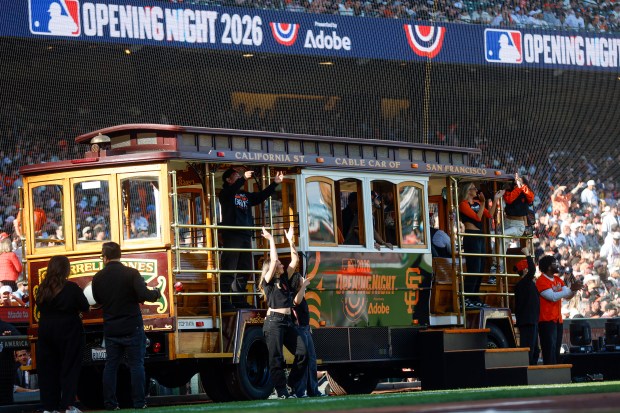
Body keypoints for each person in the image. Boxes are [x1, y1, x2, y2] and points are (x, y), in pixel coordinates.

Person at [92, 242, 161, 410]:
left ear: (105, 257)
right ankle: (139, 402)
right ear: (119, 255)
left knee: (111, 367)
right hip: (132, 327)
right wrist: (157, 293)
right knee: (136, 366)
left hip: (111, 329)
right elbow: (145, 295)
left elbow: (97, 299)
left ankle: (110, 403)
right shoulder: (131, 273)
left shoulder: (98, 277)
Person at [219, 168, 284, 309]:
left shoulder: (244, 194)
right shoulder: (225, 193)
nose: (239, 178)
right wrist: (243, 179)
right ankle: (223, 301)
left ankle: (238, 299)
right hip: (232, 233)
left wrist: (274, 184)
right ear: (228, 180)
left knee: (245, 268)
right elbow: (230, 192)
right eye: (235, 176)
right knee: (229, 268)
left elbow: (260, 197)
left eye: (239, 176)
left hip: (245, 234)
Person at [36, 255, 89, 413]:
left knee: (48, 369)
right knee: (69, 367)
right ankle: (66, 405)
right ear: (66, 269)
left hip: (46, 329)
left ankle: (49, 407)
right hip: (69, 329)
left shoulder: (42, 288)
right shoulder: (71, 288)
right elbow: (85, 306)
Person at [259, 227, 307, 399]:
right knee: (276, 358)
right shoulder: (268, 282)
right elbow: (273, 260)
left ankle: (291, 385)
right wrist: (271, 239)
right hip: (274, 322)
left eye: (280, 263)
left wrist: (291, 241)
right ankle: (281, 391)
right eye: (279, 263)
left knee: (303, 352)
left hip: (287, 322)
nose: (281, 263)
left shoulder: (285, 278)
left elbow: (295, 258)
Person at [288, 232, 325, 398]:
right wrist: (304, 285)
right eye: (301, 279)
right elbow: (296, 301)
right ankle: (299, 390)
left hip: (305, 328)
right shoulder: (297, 295)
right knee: (305, 360)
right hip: (300, 330)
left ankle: (312, 390)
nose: (304, 279)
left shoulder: (300, 294)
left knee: (311, 360)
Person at [458, 182, 504, 308]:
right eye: (473, 188)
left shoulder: (478, 204)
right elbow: (477, 218)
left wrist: (495, 200)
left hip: (480, 236)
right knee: (473, 267)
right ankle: (466, 298)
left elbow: (489, 215)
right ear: (468, 191)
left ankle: (474, 296)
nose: (476, 190)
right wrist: (483, 203)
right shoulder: (463, 204)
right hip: (471, 236)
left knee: (480, 268)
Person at [536, 255, 583, 365]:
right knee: (549, 350)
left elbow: (567, 296)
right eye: (554, 264)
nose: (557, 265)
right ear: (548, 267)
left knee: (556, 349)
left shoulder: (557, 279)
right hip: (546, 320)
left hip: (557, 320)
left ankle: (557, 372)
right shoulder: (541, 281)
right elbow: (552, 297)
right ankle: (549, 373)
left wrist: (574, 290)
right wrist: (570, 289)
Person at [514, 247, 539, 365]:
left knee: (534, 349)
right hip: (528, 321)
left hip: (530, 321)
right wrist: (527, 254)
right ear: (525, 271)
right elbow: (533, 270)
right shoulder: (524, 283)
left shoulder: (525, 284)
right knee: (529, 349)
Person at [502, 173, 534, 238]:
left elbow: (531, 197)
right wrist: (519, 188)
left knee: (502, 235)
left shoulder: (526, 192)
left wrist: (521, 186)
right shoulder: (508, 191)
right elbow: (509, 199)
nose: (516, 182)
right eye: (515, 181)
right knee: (501, 244)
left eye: (518, 181)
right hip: (507, 222)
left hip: (518, 225)